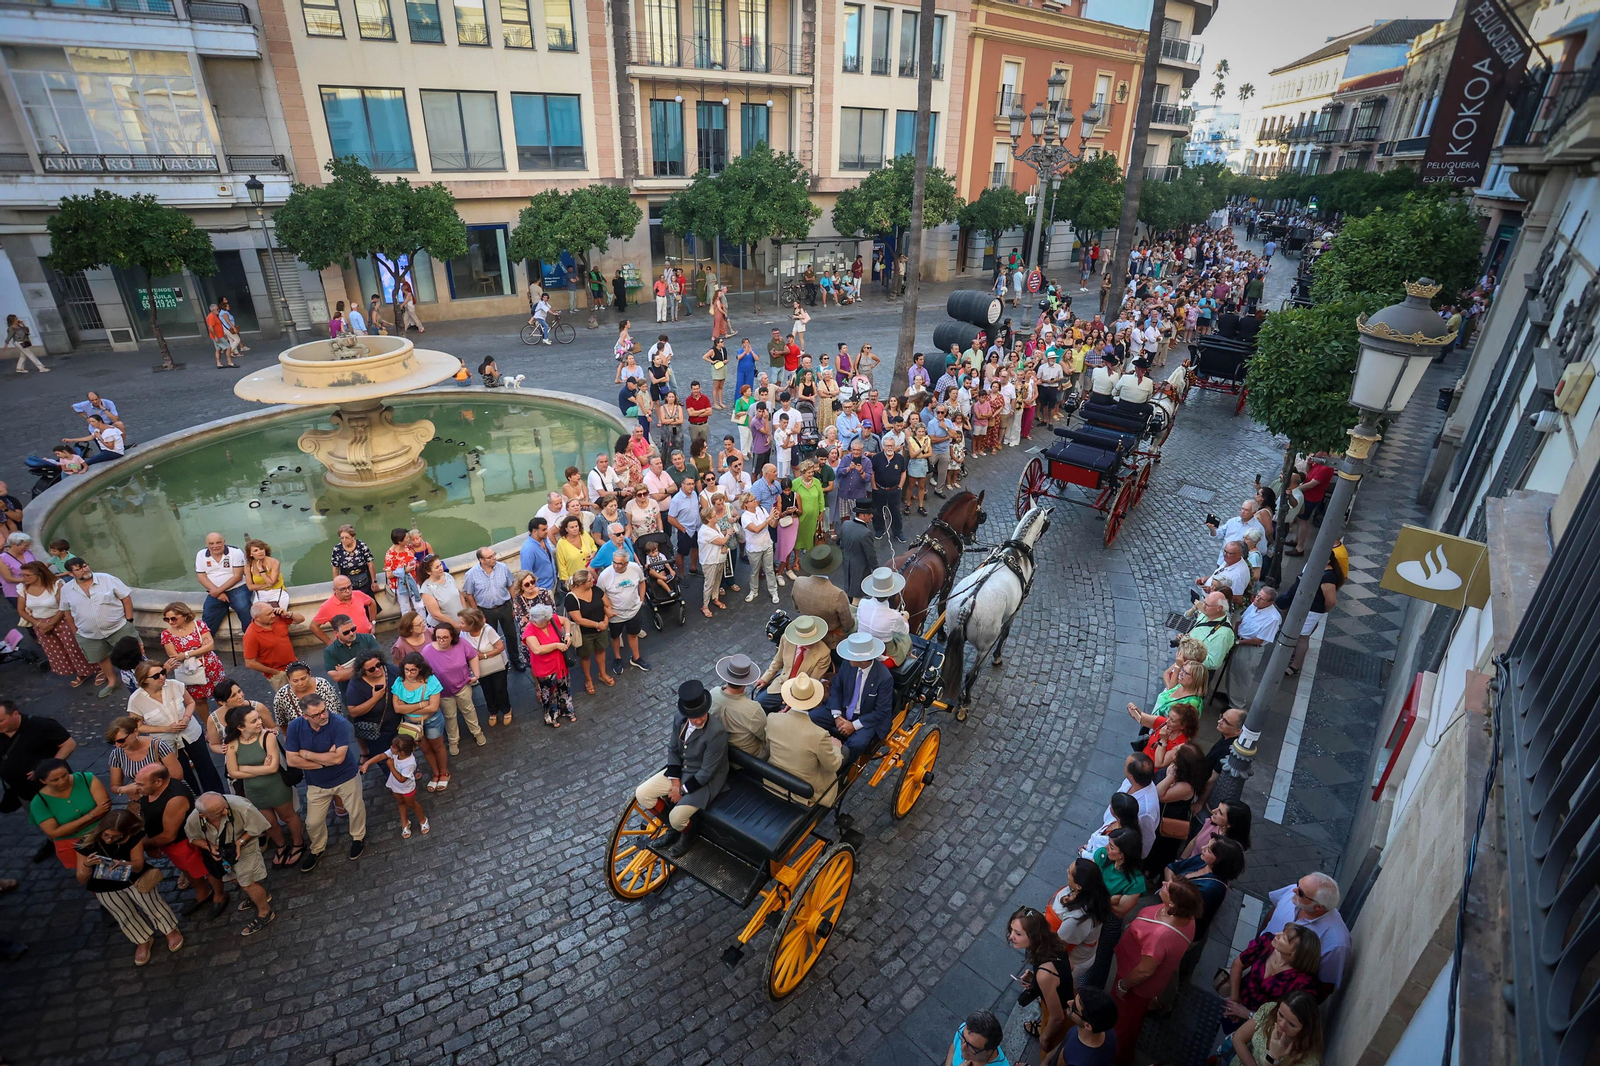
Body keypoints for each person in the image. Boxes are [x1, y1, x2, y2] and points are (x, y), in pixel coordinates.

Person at [1110, 877, 1202, 1064]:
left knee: (1123, 1024)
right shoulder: (1187, 917)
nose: (1163, 884)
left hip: (1135, 986)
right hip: (1136, 970)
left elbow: (1144, 971)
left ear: (1172, 903)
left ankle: (1116, 1056)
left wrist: (1122, 985)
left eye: (1168, 887)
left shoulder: (1160, 936)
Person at [74, 808, 183, 963]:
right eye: (106, 835)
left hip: (134, 878)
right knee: (123, 914)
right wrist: (86, 864)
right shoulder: (86, 843)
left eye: (115, 837)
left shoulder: (133, 837)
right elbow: (81, 878)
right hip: (103, 885)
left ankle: (170, 930)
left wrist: (124, 864)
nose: (109, 840)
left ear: (125, 833)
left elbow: (138, 865)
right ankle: (142, 940)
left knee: (152, 905)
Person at [634, 680, 728, 858]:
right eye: (695, 717)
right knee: (643, 793)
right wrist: (675, 782)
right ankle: (673, 828)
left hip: (706, 780)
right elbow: (673, 749)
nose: (699, 719)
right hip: (683, 771)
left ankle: (688, 834)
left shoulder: (716, 732)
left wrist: (681, 791)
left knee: (677, 817)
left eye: (702, 714)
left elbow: (707, 772)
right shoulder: (679, 719)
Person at [282, 695, 366, 870]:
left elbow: (338, 758)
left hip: (346, 777)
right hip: (317, 783)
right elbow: (291, 760)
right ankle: (317, 848)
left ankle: (358, 837)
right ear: (305, 716)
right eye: (317, 714)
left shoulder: (339, 723)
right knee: (312, 822)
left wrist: (306, 754)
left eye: (324, 710)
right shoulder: (295, 727)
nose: (323, 716)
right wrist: (324, 761)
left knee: (356, 810)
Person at [131, 763, 226, 916]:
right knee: (186, 869)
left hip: (185, 842)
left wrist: (144, 845)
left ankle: (219, 895)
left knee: (206, 869)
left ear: (158, 782)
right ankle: (203, 892)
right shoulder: (152, 789)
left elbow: (169, 835)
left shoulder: (175, 798)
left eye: (141, 784)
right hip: (169, 844)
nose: (136, 787)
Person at [220, 703, 305, 867]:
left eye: (258, 718)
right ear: (240, 727)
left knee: (288, 816)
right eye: (253, 721)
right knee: (269, 823)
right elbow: (232, 773)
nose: (259, 722)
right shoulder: (232, 744)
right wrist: (262, 768)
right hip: (254, 792)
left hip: (276, 788)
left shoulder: (268, 737)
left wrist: (244, 768)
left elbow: (273, 768)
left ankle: (298, 843)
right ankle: (281, 846)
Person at [127, 659, 224, 796]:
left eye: (162, 672)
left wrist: (186, 718)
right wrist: (166, 729)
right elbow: (138, 727)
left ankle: (217, 797)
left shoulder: (175, 685)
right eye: (156, 676)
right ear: (144, 680)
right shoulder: (136, 700)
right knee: (182, 772)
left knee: (206, 767)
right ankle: (194, 801)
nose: (162, 677)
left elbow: (190, 702)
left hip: (191, 733)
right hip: (166, 742)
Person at [184, 791, 276, 935]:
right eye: (219, 812)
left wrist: (239, 842)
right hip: (223, 854)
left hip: (245, 848)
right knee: (235, 879)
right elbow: (192, 838)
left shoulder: (241, 807)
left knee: (247, 884)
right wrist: (208, 847)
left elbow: (258, 826)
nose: (226, 811)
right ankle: (261, 895)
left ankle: (265, 912)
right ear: (203, 815)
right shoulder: (193, 819)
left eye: (225, 806)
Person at [59, 557, 140, 698]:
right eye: (79, 569)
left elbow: (126, 598)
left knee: (133, 653)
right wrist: (75, 632)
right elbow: (67, 612)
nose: (85, 569)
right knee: (101, 657)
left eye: (85, 566)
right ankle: (112, 681)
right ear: (71, 574)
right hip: (88, 634)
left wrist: (129, 621)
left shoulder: (107, 579)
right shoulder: (66, 589)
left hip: (118, 627)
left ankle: (143, 677)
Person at [1007, 907, 1077, 1065]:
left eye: (1018, 933)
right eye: (1012, 931)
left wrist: (1045, 1036)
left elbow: (1058, 1017)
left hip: (1062, 1016)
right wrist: (1036, 982)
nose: (1012, 937)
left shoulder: (1044, 974)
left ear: (1034, 936)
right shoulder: (1054, 942)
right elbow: (1070, 967)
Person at [1224, 920, 1323, 1031]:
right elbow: (1238, 964)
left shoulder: (1303, 983)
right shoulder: (1267, 942)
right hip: (1237, 1003)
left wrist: (1247, 1014)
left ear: (1295, 953)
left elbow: (1285, 1017)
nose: (1277, 934)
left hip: (1259, 1027)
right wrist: (1234, 1001)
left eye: (1284, 938)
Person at [1261, 873, 1350, 991]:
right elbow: (1273, 912)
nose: (1294, 890)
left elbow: (1325, 986)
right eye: (1298, 884)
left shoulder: (1336, 944)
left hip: (1273, 990)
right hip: (1252, 960)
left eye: (1301, 892)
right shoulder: (1295, 894)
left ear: (1318, 907)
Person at [812, 632, 893, 761]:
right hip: (843, 709)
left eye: (851, 656)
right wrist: (837, 716)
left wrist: (853, 726)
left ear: (864, 660)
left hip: (867, 718)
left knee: (857, 744)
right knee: (812, 718)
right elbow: (837, 687)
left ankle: (840, 768)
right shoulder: (847, 664)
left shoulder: (884, 677)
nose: (847, 657)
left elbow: (881, 711)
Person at [15, 561, 98, 687]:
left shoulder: (56, 585)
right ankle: (80, 672)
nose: (23, 578)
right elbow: (21, 609)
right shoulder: (23, 589)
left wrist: (51, 623)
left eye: (27, 575)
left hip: (60, 620)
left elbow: (63, 606)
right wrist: (38, 623)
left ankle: (96, 668)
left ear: (39, 574)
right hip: (39, 624)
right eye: (23, 575)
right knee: (58, 652)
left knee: (75, 648)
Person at [29, 758, 110, 869]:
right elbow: (54, 833)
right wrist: (92, 815)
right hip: (72, 845)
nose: (62, 781)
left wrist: (70, 828)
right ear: (43, 781)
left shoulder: (87, 779)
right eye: (55, 780)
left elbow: (105, 808)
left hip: (105, 834)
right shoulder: (38, 802)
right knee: (89, 874)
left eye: (64, 775)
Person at [1046, 857, 1114, 982]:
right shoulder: (1093, 893)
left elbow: (1059, 944)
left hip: (1073, 961)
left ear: (1078, 886)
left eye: (1070, 873)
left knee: (1060, 987)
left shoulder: (1077, 919)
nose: (1067, 871)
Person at [420, 622, 483, 755]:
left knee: (469, 710)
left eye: (445, 638)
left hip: (462, 685)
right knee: (449, 716)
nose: (441, 641)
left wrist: (476, 675)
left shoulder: (461, 644)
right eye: (438, 637)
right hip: (442, 692)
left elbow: (473, 656)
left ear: (452, 637)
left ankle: (477, 732)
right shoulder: (427, 651)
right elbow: (423, 672)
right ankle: (453, 740)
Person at [753, 614, 831, 713]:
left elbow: (812, 681)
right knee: (756, 706)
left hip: (801, 693)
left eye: (813, 639)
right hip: (781, 685)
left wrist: (793, 701)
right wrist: (765, 678)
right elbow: (778, 661)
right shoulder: (786, 639)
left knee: (786, 718)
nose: (811, 643)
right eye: (806, 640)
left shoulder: (824, 652)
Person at [361, 734, 429, 839]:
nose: (390, 748)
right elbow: (381, 756)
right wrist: (367, 763)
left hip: (406, 788)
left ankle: (423, 820)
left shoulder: (410, 763)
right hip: (395, 785)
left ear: (401, 752)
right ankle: (404, 822)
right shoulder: (394, 753)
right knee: (401, 803)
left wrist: (391, 767)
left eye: (393, 747)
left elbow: (402, 779)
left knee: (412, 804)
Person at [1229, 991, 1324, 1066]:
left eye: (1291, 1024)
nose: (1282, 1024)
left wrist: (1273, 1058)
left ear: (1305, 1030)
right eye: (1281, 1015)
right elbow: (1238, 1038)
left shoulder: (1309, 1061)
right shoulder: (1270, 1010)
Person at [158, 600, 226, 705]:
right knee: (199, 701)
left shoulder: (199, 625)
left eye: (173, 618)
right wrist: (201, 649)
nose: (170, 622)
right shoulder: (166, 634)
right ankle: (207, 721)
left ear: (185, 615)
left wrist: (186, 654)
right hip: (189, 671)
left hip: (211, 667)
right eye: (166, 619)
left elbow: (210, 646)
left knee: (222, 695)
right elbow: (175, 656)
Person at [105, 715, 183, 801]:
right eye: (113, 742)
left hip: (168, 795)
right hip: (140, 800)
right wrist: (124, 789)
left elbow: (177, 776)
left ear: (135, 732)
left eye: (121, 740)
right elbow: (115, 786)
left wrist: (144, 789)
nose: (118, 745)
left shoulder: (158, 746)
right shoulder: (117, 755)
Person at [460, 547, 516, 667]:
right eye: (490, 557)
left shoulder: (503, 568)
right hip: (486, 610)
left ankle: (516, 660)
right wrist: (478, 614)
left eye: (493, 555)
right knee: (491, 637)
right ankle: (500, 662)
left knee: (511, 634)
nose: (494, 558)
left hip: (505, 606)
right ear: (481, 560)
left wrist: (515, 605)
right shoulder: (471, 574)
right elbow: (469, 595)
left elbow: (511, 586)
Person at [596, 551, 650, 673]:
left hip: (634, 611)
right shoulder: (605, 575)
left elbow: (642, 582)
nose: (615, 566)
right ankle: (617, 658)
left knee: (633, 634)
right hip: (616, 614)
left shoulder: (635, 568)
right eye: (614, 562)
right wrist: (607, 610)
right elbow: (599, 595)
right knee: (615, 637)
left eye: (619, 563)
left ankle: (636, 658)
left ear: (626, 563)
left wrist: (641, 600)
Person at [792, 545, 855, 650]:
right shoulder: (837, 594)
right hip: (831, 640)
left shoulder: (798, 582)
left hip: (807, 633)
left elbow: (797, 608)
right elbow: (848, 624)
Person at [458, 608, 511, 728]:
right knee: (487, 689)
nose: (459, 625)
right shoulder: (463, 634)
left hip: (498, 665)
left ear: (472, 624)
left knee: (500, 689)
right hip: (480, 667)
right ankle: (493, 711)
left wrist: (483, 656)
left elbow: (500, 647)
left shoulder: (488, 630)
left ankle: (506, 709)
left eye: (462, 623)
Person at [563, 568, 614, 692]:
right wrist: (598, 625)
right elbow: (579, 620)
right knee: (585, 656)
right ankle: (588, 679)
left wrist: (605, 622)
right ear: (581, 584)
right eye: (590, 580)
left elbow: (608, 604)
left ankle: (602, 673)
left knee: (601, 651)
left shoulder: (596, 590)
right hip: (584, 633)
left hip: (601, 628)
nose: (594, 581)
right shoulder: (571, 598)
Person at [272, 661, 345, 730]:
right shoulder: (282, 695)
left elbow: (336, 711)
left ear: (309, 674)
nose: (300, 683)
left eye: (303, 678)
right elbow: (282, 722)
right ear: (288, 679)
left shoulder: (323, 685)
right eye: (295, 681)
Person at [321, 612, 387, 687]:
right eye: (346, 632)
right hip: (350, 693)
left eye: (353, 629)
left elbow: (381, 662)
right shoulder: (330, 651)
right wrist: (368, 666)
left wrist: (345, 671)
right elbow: (337, 677)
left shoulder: (368, 638)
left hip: (375, 686)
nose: (352, 633)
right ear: (336, 633)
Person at [1057, 988, 1119, 1066]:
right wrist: (1048, 1057)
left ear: (1088, 1025)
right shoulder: (1108, 1032)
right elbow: (1066, 1042)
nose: (1069, 1002)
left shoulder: (1080, 1061)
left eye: (1075, 1007)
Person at [739, 491, 780, 605]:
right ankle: (753, 591)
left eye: (754, 499)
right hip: (754, 547)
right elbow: (756, 529)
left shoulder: (761, 509)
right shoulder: (745, 517)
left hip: (767, 544)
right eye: (752, 500)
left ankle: (773, 591)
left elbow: (773, 525)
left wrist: (775, 517)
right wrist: (768, 519)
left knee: (769, 570)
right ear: (745, 504)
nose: (755, 501)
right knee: (754, 571)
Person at [311, 575, 379, 643]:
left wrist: (372, 622)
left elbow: (372, 602)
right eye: (343, 589)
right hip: (347, 645)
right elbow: (313, 626)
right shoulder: (327, 606)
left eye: (349, 587)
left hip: (368, 639)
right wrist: (329, 642)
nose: (348, 591)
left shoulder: (358, 594)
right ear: (335, 590)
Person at [941, 1009, 1010, 1066]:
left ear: (989, 1051)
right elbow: (953, 1049)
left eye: (972, 1047)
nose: (962, 1047)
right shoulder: (965, 1029)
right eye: (963, 1038)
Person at [417, 557, 465, 630]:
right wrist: (456, 625)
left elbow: (459, 595)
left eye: (440, 565)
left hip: (461, 623)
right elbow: (436, 615)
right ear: (429, 572)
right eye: (437, 567)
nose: (441, 568)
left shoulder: (448, 576)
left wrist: (466, 613)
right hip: (445, 629)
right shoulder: (427, 589)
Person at [330, 525, 377, 596]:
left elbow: (370, 564)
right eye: (342, 538)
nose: (344, 540)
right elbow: (335, 569)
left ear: (353, 536)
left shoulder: (361, 545)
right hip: (347, 583)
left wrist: (374, 581)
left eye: (347, 538)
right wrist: (337, 586)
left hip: (364, 579)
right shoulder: (337, 549)